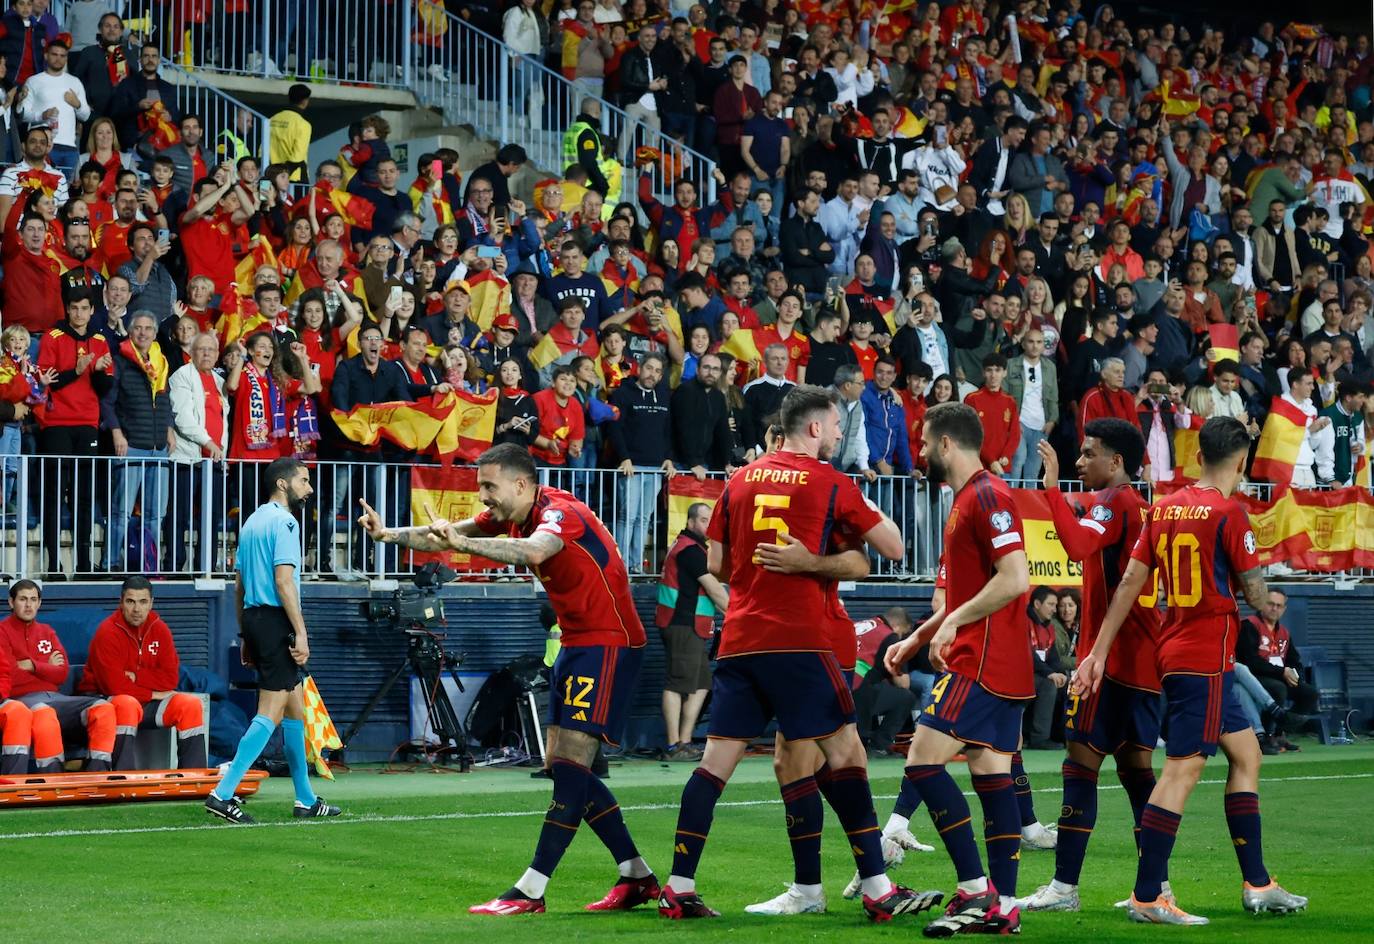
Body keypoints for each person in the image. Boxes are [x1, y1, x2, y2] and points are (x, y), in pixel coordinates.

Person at [659, 385, 937, 922]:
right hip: (801, 641)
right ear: (813, 428)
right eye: (835, 426)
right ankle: (878, 888)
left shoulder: (738, 481)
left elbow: (716, 562)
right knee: (848, 757)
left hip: (741, 641)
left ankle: (679, 885)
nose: (838, 434)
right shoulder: (829, 480)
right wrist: (812, 560)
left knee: (715, 766)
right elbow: (895, 547)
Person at [359, 443, 657, 915]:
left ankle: (531, 889)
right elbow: (446, 535)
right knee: (563, 766)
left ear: (521, 484)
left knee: (573, 766)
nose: (481, 497)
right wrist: (387, 534)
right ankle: (636, 875)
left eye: (488, 487)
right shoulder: (521, 512)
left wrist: (464, 545)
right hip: (579, 643)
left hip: (609, 643)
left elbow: (532, 550)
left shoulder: (561, 514)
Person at [1076, 416, 1307, 923]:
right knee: (1183, 768)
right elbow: (1255, 596)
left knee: (1246, 755)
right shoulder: (1230, 513)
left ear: (1198, 456)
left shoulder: (1163, 508)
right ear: (1242, 462)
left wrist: (1096, 651)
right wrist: (1267, 570)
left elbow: (1129, 585)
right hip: (1203, 656)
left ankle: (1259, 883)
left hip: (1181, 652)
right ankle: (1147, 895)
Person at [882, 401, 1033, 935]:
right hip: (993, 660)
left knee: (922, 762)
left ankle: (974, 888)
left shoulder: (988, 496)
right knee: (992, 778)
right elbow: (967, 594)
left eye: (924, 442)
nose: (919, 452)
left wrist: (953, 626)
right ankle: (1005, 906)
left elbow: (1016, 578)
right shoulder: (969, 498)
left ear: (946, 444)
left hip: (985, 661)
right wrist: (919, 636)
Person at [1017, 420, 1162, 912]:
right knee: (1136, 771)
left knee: (1079, 765)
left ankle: (1063, 889)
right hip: (1144, 660)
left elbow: (1077, 545)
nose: (1080, 462)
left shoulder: (1115, 502)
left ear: (1115, 461)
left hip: (1110, 660)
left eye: (1087, 454)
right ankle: (1155, 889)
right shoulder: (1142, 507)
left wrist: (1053, 486)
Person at [206, 458, 340, 824]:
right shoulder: (284, 522)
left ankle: (305, 799)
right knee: (271, 711)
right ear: (282, 484)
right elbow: (284, 583)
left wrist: (245, 634)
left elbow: (239, 585)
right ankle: (222, 793)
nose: (309, 488)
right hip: (275, 618)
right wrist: (301, 630)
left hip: (253, 617)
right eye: (304, 480)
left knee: (295, 709)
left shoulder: (251, 521)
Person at [76, 576, 207, 769]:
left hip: (146, 705)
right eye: (131, 602)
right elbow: (114, 686)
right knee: (126, 703)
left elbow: (171, 678)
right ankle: (124, 776)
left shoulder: (160, 629)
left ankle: (195, 775)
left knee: (190, 704)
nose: (137, 609)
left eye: (143, 602)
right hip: (106, 700)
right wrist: (153, 692)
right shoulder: (107, 632)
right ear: (121, 603)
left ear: (151, 603)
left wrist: (137, 676)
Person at [1, 578, 117, 771]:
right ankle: (53, 780)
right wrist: (47, 666)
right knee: (44, 713)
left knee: (103, 708)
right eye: (23, 599)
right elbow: (11, 676)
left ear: (39, 603)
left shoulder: (47, 632)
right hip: (22, 700)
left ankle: (97, 776)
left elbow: (61, 674)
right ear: (11, 602)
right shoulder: (2, 632)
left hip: (57, 698)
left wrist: (32, 665)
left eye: (33, 599)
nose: (28, 605)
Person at [37, 286, 112, 577]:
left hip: (87, 424)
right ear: (67, 310)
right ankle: (53, 565)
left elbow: (105, 391)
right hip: (57, 424)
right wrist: (78, 370)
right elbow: (50, 383)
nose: (79, 313)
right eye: (74, 308)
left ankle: (83, 565)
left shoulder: (100, 341)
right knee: (54, 494)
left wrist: (96, 371)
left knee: (83, 496)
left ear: (92, 310)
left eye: (85, 308)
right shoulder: (52, 338)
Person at [655, 501, 728, 761]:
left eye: (711, 520)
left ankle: (684, 742)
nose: (709, 525)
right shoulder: (691, 551)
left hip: (688, 624)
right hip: (682, 623)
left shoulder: (689, 547)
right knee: (677, 683)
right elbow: (715, 590)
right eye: (705, 520)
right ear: (691, 522)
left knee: (701, 684)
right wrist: (738, 616)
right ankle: (674, 745)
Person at [102, 311, 173, 574]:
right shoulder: (120, 361)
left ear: (155, 334)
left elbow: (165, 400)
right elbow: (107, 403)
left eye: (148, 328)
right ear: (130, 333)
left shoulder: (161, 362)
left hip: (159, 447)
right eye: (138, 328)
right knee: (121, 511)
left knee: (156, 514)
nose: (143, 333)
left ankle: (149, 564)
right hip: (131, 444)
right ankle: (109, 564)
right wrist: (117, 433)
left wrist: (169, 428)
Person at [166, 332, 228, 572]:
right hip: (186, 459)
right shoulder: (181, 376)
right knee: (178, 516)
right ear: (192, 352)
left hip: (213, 461)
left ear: (217, 355)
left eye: (211, 350)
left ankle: (206, 566)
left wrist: (221, 448)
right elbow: (183, 418)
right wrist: (209, 442)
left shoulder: (220, 381)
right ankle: (174, 565)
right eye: (201, 349)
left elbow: (223, 421)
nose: (206, 354)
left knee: (210, 519)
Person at [607, 353, 673, 572]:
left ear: (661, 375)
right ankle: (621, 564)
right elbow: (614, 429)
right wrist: (624, 457)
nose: (651, 374)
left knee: (644, 519)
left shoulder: (664, 396)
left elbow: (668, 431)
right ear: (639, 368)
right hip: (631, 467)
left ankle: (635, 566)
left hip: (655, 468)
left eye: (657, 371)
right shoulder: (623, 394)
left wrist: (668, 458)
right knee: (627, 516)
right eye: (649, 368)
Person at [1237, 590, 1320, 718]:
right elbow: (1250, 661)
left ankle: (1282, 729)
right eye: (1270, 604)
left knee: (1310, 693)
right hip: (1255, 676)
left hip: (1278, 675)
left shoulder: (1284, 632)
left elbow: (1294, 660)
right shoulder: (1249, 625)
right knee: (1278, 688)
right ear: (1262, 604)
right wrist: (1282, 672)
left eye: (1279, 605)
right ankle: (1269, 733)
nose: (1274, 608)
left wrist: (1296, 677)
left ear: (1284, 609)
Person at [269, 84, 312, 183]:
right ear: (305, 101)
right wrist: (282, 177)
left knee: (264, 198)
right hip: (293, 178)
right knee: (295, 199)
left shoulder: (272, 119)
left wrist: (272, 175)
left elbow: (261, 150)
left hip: (268, 174)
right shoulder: (303, 124)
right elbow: (297, 157)